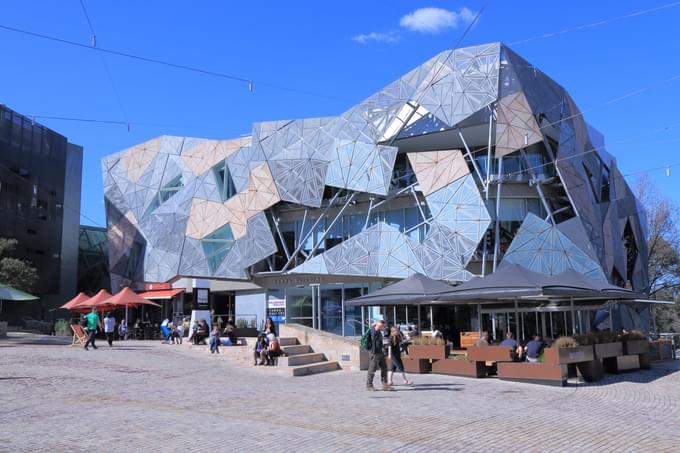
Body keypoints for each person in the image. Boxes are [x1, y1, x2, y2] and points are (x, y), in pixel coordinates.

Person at [365, 317, 392, 391]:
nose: (383, 325)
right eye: (382, 323)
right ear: (377, 323)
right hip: (374, 353)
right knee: (372, 369)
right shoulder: (373, 330)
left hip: (381, 352)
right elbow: (373, 341)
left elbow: (380, 341)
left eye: (383, 324)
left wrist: (384, 345)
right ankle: (369, 385)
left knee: (384, 368)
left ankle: (385, 385)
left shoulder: (379, 331)